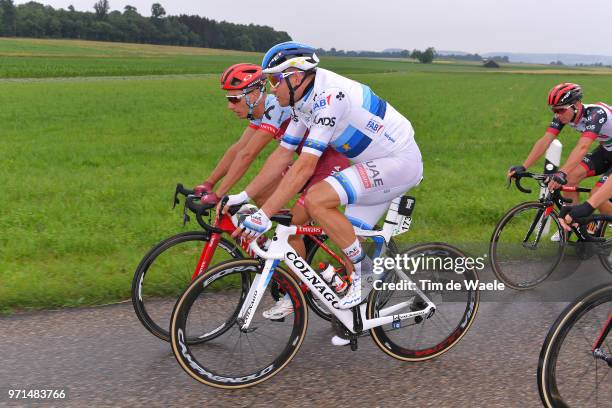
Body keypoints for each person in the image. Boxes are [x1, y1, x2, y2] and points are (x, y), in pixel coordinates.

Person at [228, 42, 423, 341]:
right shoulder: (300, 102)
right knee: (348, 241)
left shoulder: (330, 97)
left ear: (294, 77)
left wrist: (264, 215)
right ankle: (354, 320)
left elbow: (304, 167)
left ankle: (366, 273)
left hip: (397, 162)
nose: (270, 88)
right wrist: (244, 197)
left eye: (274, 80)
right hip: (373, 164)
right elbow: (282, 155)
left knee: (319, 199)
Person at [199, 62, 350, 319]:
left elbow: (248, 155)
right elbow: (238, 149)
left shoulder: (275, 107)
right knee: (260, 197)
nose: (230, 105)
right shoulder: (262, 109)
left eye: (234, 99)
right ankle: (290, 247)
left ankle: (297, 292)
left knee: (289, 226)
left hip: (326, 164)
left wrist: (219, 194)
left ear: (253, 93)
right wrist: (208, 184)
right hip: (306, 162)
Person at [508, 83, 612, 206]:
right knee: (568, 180)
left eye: (560, 110)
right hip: (607, 151)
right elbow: (545, 140)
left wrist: (561, 172)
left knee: (597, 196)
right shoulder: (563, 115)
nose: (557, 114)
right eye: (554, 110)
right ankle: (574, 222)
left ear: (576, 105)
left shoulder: (596, 114)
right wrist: (524, 167)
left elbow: (583, 146)